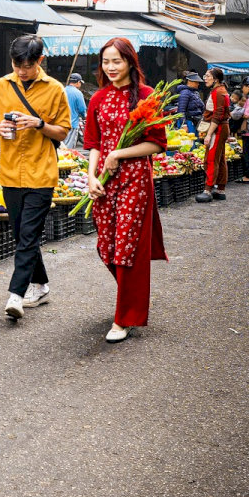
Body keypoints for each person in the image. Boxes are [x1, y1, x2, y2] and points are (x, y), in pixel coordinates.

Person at [84, 39, 167, 343]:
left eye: (117, 61)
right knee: (106, 247)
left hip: (134, 179)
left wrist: (119, 154)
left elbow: (158, 143)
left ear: (131, 62)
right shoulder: (98, 98)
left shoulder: (146, 97)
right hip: (105, 182)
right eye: (106, 62)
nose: (111, 67)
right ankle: (131, 298)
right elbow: (92, 143)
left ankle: (125, 318)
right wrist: (91, 177)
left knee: (127, 248)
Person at [0, 35, 71, 320]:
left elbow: (62, 132)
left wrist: (38, 124)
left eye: (28, 65)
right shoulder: (1, 85)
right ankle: (41, 285)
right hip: (10, 172)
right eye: (17, 64)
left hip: (41, 173)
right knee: (22, 234)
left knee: (27, 236)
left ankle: (16, 295)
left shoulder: (55, 89)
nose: (22, 70)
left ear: (40, 61)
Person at [195, 67, 230, 203]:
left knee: (211, 158)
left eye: (207, 76)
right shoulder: (219, 91)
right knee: (219, 158)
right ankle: (220, 189)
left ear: (215, 79)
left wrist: (209, 134)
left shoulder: (218, 92)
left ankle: (208, 190)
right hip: (220, 127)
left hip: (218, 128)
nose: (205, 78)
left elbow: (217, 116)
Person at [63, 72, 87, 149]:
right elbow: (82, 109)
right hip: (72, 124)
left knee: (61, 148)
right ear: (78, 82)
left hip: (60, 124)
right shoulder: (78, 93)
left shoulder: (62, 90)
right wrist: (85, 116)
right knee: (68, 149)